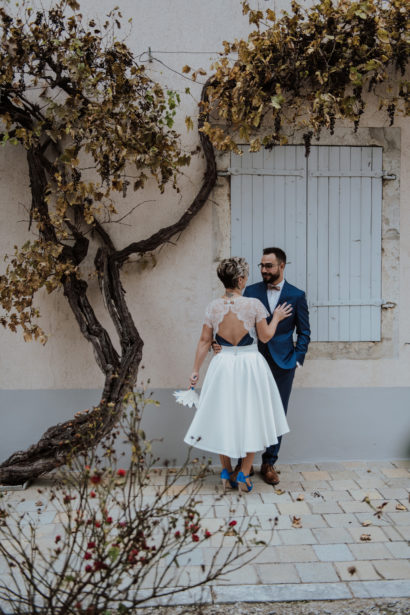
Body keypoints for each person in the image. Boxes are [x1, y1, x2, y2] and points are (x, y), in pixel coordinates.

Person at [183, 257, 292, 493]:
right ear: (241, 279)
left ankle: (225, 471)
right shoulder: (253, 305)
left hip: (222, 365)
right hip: (250, 364)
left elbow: (204, 341)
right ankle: (243, 473)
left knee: (224, 416)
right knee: (252, 415)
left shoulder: (213, 307)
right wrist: (277, 318)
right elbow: (264, 337)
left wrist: (195, 371)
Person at [243, 247, 310, 485]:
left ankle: (269, 462)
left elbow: (304, 332)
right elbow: (241, 326)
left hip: (283, 364)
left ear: (282, 266)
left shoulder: (296, 295)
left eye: (268, 266)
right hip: (253, 360)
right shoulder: (249, 292)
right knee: (250, 410)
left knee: (276, 413)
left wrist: (297, 359)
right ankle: (246, 463)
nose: (263, 270)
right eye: (261, 265)